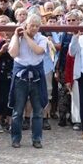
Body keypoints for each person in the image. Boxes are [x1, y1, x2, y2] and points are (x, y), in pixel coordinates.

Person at [8, 14, 48, 149]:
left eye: (37, 26)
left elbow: (38, 51)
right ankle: (15, 138)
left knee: (38, 111)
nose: (34, 28)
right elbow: (13, 53)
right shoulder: (17, 37)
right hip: (21, 77)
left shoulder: (42, 39)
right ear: (26, 25)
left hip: (36, 77)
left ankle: (37, 139)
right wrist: (16, 36)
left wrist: (26, 37)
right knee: (17, 111)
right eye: (32, 25)